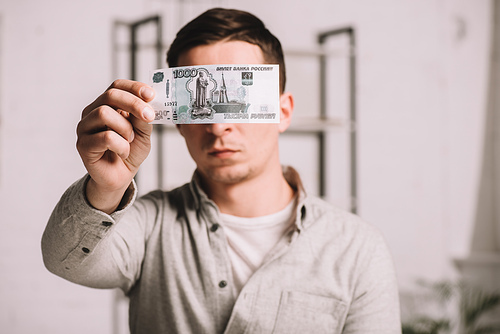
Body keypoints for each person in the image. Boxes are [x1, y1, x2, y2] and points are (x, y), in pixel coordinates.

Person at [42, 8, 401, 334]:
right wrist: (106, 187)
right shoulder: (149, 225)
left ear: (283, 112)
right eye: (200, 108)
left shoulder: (357, 249)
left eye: (239, 103)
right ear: (180, 120)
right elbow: (64, 261)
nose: (218, 126)